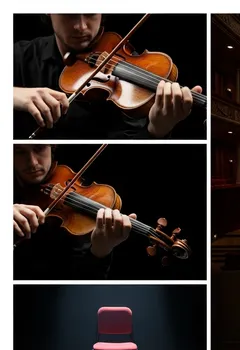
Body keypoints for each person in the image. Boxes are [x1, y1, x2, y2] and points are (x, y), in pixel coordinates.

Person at [13, 14, 202, 139]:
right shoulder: (20, 56)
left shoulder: (117, 58)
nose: (81, 26)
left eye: (90, 13)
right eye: (69, 14)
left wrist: (157, 129)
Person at [13, 144, 135, 279]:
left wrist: (100, 250)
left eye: (39, 148)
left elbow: (77, 280)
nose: (33, 162)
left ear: (52, 147)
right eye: (19, 151)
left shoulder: (74, 210)